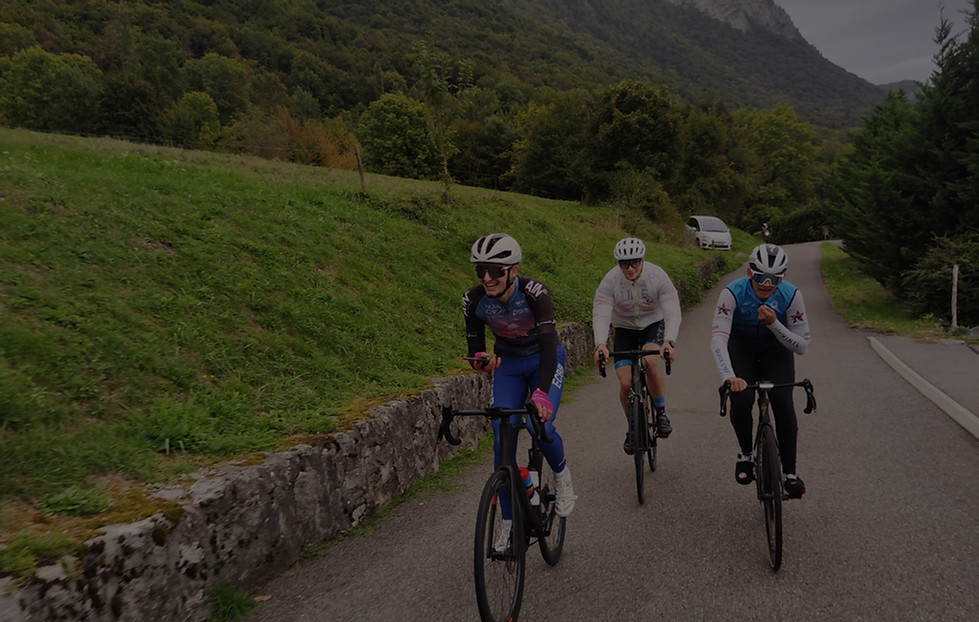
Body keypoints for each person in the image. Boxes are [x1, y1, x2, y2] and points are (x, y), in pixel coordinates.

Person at [463, 233, 577, 537]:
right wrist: (481, 361)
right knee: (502, 437)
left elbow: (549, 344)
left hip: (544, 359)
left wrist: (541, 393)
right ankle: (509, 524)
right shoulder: (474, 301)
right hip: (509, 365)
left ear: (513, 270)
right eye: (481, 270)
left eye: (495, 270)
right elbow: (475, 348)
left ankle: (563, 478)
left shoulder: (535, 293)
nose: (487, 278)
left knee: (540, 426)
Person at [710, 243, 811, 497]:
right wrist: (729, 376)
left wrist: (774, 323)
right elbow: (719, 338)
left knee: (782, 402)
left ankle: (789, 472)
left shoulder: (791, 295)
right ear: (749, 272)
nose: (766, 284)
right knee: (742, 401)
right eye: (760, 276)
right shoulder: (732, 293)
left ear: (783, 277)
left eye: (774, 278)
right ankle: (746, 454)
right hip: (741, 348)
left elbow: (801, 346)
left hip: (776, 349)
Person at [593, 237, 681, 454]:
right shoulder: (610, 281)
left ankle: (660, 413)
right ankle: (632, 426)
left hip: (653, 324)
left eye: (634, 262)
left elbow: (672, 311)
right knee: (625, 384)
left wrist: (669, 341)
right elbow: (602, 315)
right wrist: (601, 344)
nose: (630, 268)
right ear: (618, 264)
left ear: (643, 260)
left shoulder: (657, 276)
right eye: (624, 263)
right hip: (624, 329)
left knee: (650, 361)